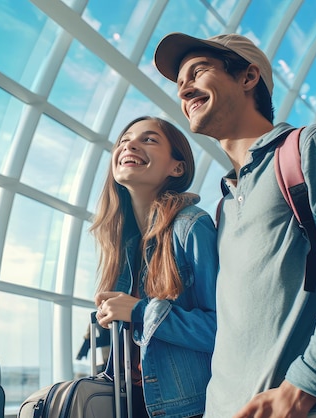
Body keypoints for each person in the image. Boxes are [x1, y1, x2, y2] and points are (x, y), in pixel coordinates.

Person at [153, 33, 316, 418]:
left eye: (197, 71)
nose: (183, 88)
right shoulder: (224, 208)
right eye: (179, 83)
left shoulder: (310, 147)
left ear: (248, 78)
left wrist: (302, 388)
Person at [91, 116, 218, 417]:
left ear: (177, 167)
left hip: (188, 409)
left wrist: (138, 311)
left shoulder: (191, 227)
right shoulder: (121, 243)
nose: (129, 144)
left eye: (149, 139)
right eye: (124, 140)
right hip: (134, 403)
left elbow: (222, 330)